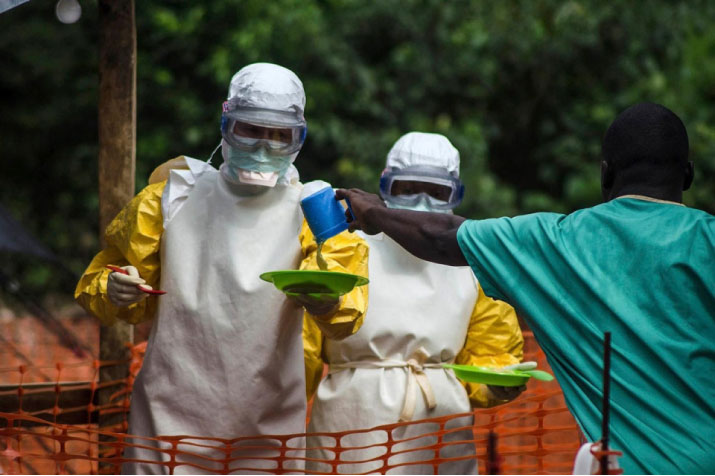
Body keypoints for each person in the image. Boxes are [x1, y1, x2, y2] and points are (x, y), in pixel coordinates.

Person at [336, 103, 715, 474]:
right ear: (687, 175)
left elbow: (442, 237)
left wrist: (372, 211)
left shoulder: (556, 243)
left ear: (605, 174)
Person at [75, 62, 369, 474]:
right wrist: (113, 286)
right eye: (251, 129)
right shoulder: (172, 197)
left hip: (267, 428)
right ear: (226, 123)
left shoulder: (313, 210)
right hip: (167, 422)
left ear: (298, 138)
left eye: (279, 135)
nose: (264, 147)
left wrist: (326, 302)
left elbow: (347, 317)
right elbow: (101, 282)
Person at [304, 132, 525, 474]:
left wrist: (497, 381)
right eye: (408, 189)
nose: (422, 202)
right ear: (385, 186)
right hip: (352, 423)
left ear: (456, 195)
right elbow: (303, 348)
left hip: (440, 430)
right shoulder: (349, 245)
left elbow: (491, 351)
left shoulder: (471, 264)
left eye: (437, 193)